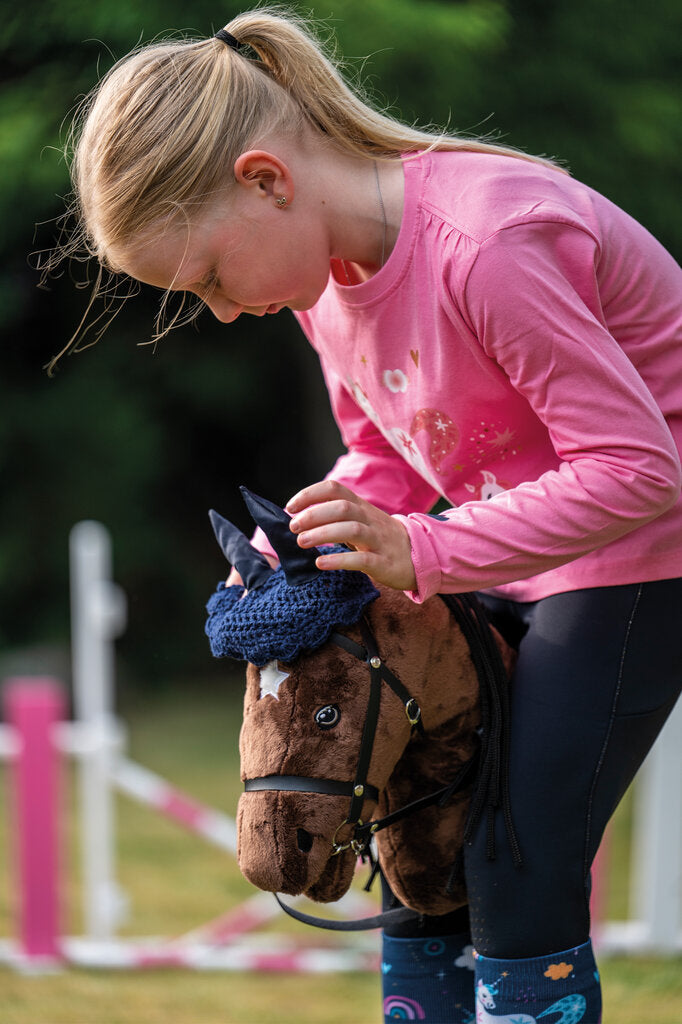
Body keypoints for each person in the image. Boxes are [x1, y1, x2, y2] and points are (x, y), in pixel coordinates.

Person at [52, 8, 682, 1023]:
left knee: (511, 850)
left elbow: (639, 468)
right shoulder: (324, 284)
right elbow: (389, 452)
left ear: (266, 179)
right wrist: (284, 550)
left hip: (645, 546)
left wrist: (423, 547)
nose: (217, 311)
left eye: (209, 275)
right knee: (419, 832)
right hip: (514, 543)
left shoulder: (488, 243)